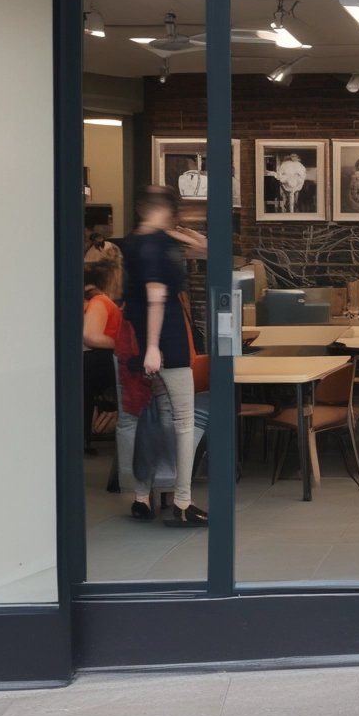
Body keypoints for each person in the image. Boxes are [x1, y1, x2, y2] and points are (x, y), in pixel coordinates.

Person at [115, 185, 208, 527]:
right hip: (165, 343)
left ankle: (142, 497)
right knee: (184, 422)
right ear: (170, 211)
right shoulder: (157, 246)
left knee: (150, 416)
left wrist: (176, 231)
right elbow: (156, 297)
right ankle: (182, 502)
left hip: (140, 342)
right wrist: (155, 347)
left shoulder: (137, 241)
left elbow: (204, 249)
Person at [82, 259, 122, 456]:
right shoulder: (101, 302)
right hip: (100, 361)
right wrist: (122, 344)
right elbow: (91, 335)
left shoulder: (95, 301)